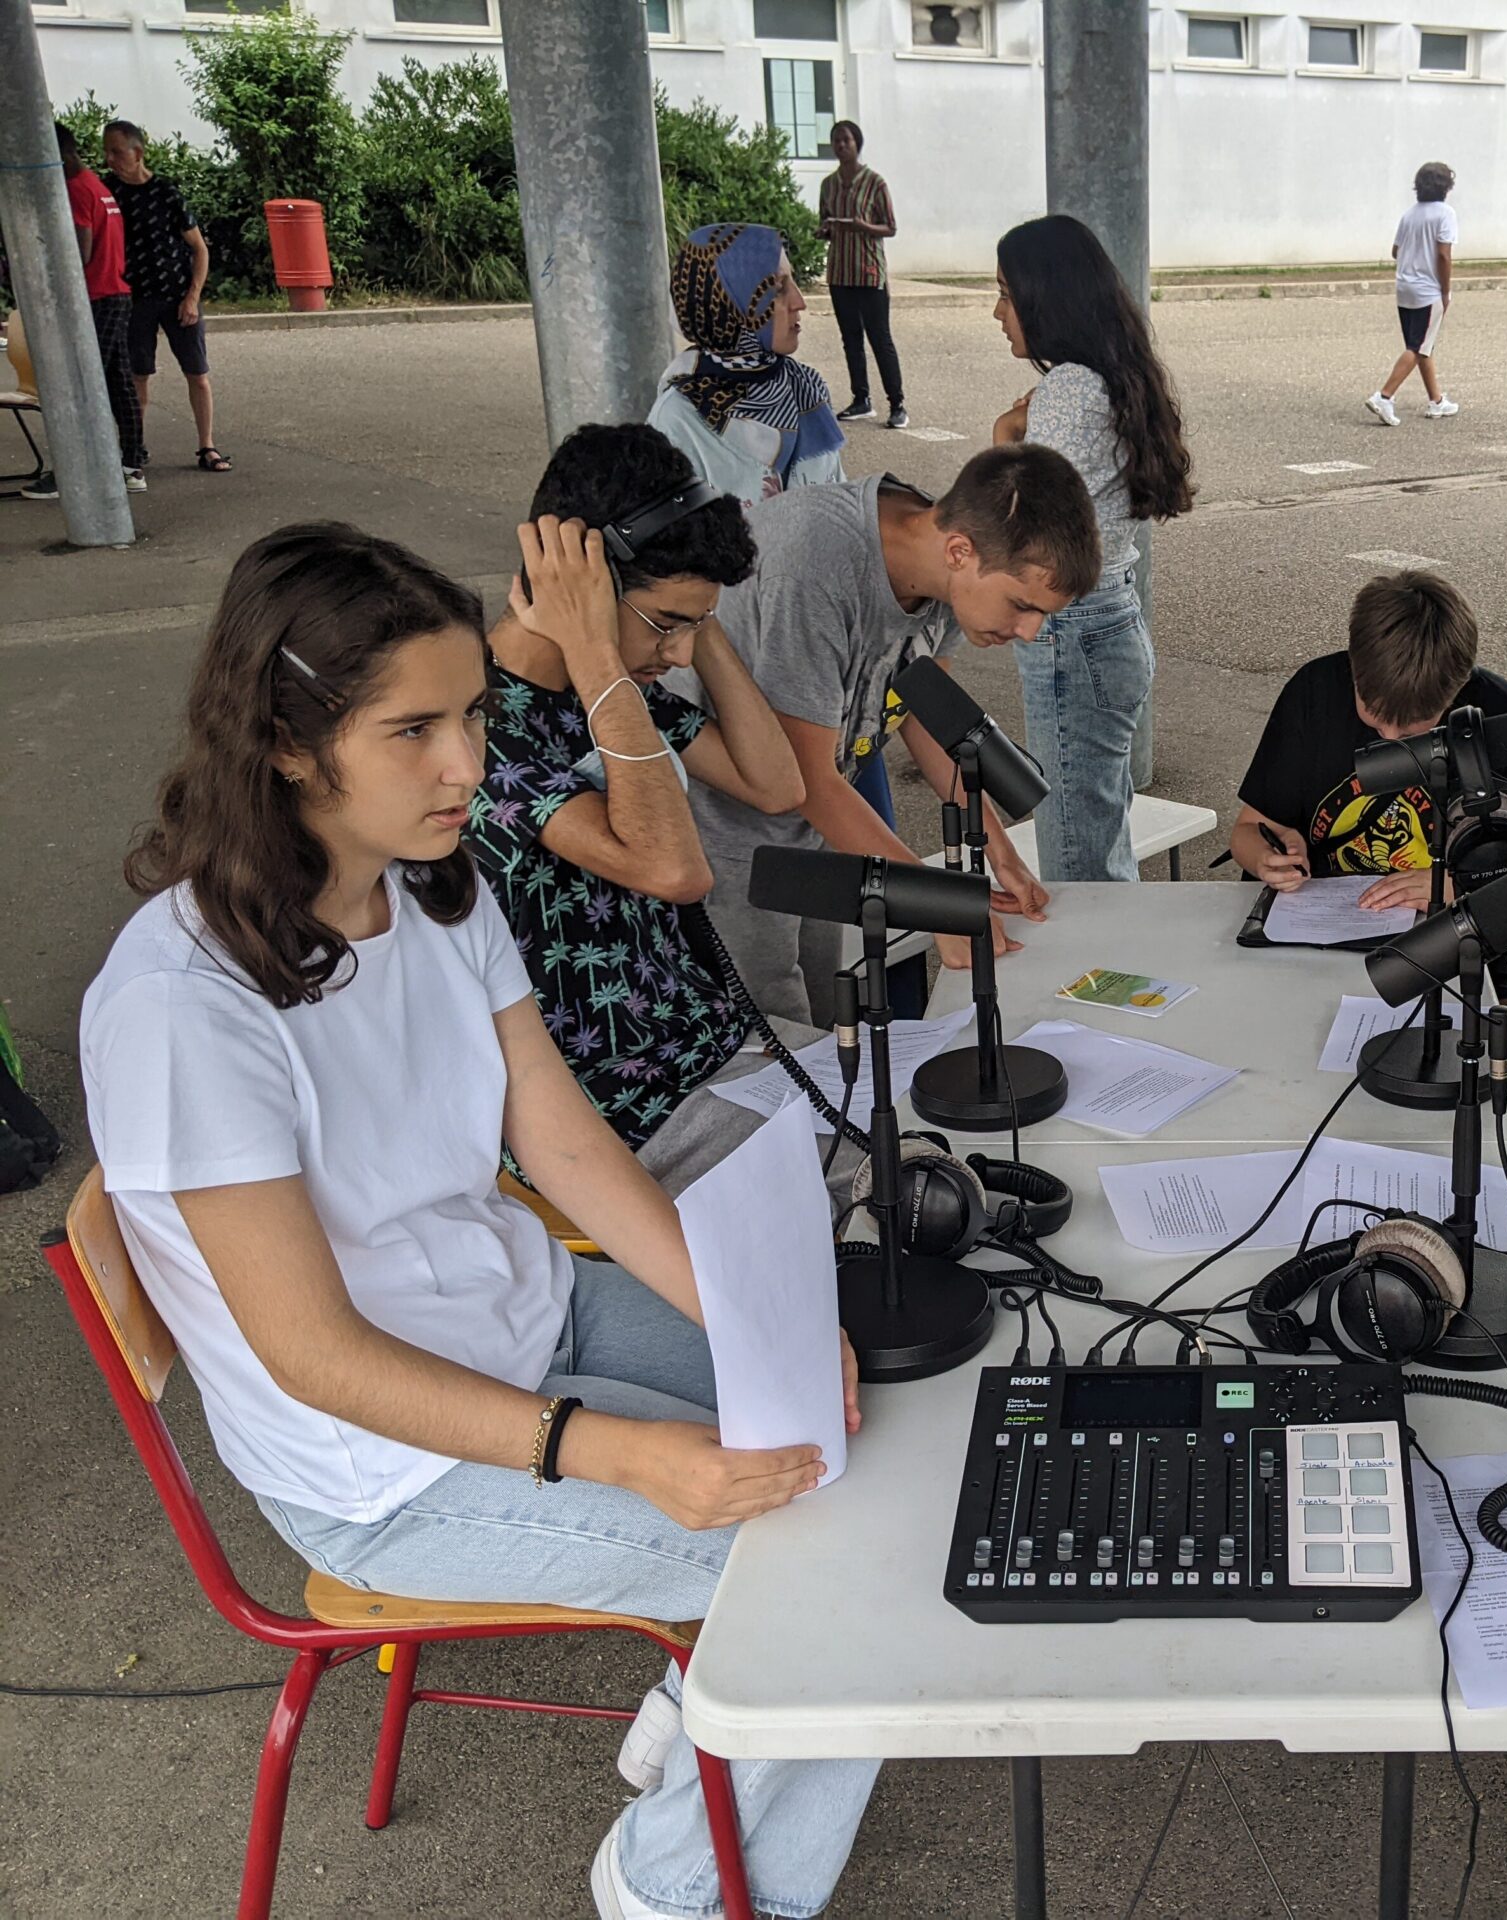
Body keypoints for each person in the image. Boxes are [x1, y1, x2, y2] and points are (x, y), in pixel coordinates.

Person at [80, 522, 881, 1920]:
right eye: (414, 730)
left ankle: (705, 1727)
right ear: (284, 743)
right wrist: (620, 1454)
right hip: (376, 1469)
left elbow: (565, 1147)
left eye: (467, 716)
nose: (469, 764)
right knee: (828, 1591)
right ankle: (668, 1889)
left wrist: (767, 1329)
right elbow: (316, 1358)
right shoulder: (181, 1008)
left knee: (859, 1456)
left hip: (524, 1320)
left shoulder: (435, 888)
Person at [465, 423, 848, 1199]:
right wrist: (599, 651)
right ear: (585, 587)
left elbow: (775, 784)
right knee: (887, 1197)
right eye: (666, 625)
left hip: (712, 1049)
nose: (676, 655)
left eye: (691, 627)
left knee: (932, 1138)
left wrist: (692, 625)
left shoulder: (613, 694)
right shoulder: (475, 728)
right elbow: (674, 871)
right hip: (617, 1109)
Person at [685, 443, 1098, 1026]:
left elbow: (927, 708)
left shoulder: (943, 565)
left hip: (816, 821)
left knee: (827, 1015)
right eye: (1022, 605)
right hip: (725, 830)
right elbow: (808, 779)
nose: (1030, 632)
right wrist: (937, 907)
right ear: (961, 551)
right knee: (769, 1033)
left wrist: (998, 847)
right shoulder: (813, 567)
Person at [1230, 570, 1507, 1114]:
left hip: (1481, 931)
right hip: (1329, 927)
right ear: (1353, 667)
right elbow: (1246, 832)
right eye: (1374, 719)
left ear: (1458, 688)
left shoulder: (1504, 720)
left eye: (1416, 726)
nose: (1392, 742)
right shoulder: (1313, 693)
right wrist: (1267, 860)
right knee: (1269, 1042)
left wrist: (1457, 888)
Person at [991, 213, 1195, 882]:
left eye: (1005, 294)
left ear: (1044, 298)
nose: (998, 313)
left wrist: (1003, 443)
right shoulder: (1105, 377)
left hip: (1071, 635)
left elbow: (1029, 536)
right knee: (1099, 842)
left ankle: (1108, 985)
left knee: (1078, 868)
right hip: (1109, 622)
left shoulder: (1067, 390)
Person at [647, 222, 844, 503]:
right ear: (729, 304)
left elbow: (840, 501)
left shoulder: (806, 387)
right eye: (778, 290)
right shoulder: (679, 418)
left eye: (794, 283)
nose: (799, 302)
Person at [101, 120, 227, 473]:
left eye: (116, 151)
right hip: (133, 299)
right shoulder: (108, 193)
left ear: (137, 152)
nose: (110, 159)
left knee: (197, 372)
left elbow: (199, 249)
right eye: (106, 152)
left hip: (177, 295)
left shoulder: (167, 194)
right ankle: (134, 449)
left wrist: (192, 297)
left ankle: (207, 446)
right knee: (137, 377)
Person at [30, 123, 143, 497]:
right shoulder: (96, 185)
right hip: (115, 293)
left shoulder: (77, 190)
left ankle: (78, 469)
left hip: (97, 297)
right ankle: (130, 462)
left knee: (84, 382)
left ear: (58, 156)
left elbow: (81, 254)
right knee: (115, 379)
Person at [818, 120, 907, 429]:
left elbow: (891, 227)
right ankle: (861, 400)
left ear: (857, 143)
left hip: (868, 273)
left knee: (880, 339)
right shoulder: (828, 185)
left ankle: (897, 404)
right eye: (836, 141)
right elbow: (825, 224)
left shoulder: (875, 182)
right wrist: (825, 230)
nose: (841, 145)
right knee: (850, 339)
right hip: (840, 273)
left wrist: (864, 227)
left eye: (846, 140)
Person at [1365, 162, 1459, 427]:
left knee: (1421, 346)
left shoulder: (1409, 215)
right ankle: (1384, 396)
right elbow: (1443, 254)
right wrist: (1445, 290)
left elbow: (1396, 251)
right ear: (1446, 187)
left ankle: (1437, 401)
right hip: (1428, 290)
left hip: (1404, 287)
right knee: (1417, 347)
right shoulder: (1446, 214)